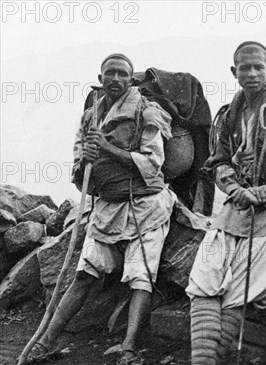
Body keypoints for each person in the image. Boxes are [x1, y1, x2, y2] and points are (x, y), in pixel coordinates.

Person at [26, 53, 176, 365]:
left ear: (131, 78)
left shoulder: (146, 112)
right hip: (107, 208)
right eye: (110, 73)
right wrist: (84, 162)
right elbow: (80, 177)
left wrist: (107, 148)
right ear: (101, 77)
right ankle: (46, 342)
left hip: (145, 207)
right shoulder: (91, 116)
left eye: (123, 74)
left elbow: (153, 164)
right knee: (84, 275)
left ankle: (129, 349)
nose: (116, 79)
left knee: (140, 278)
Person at [185, 41, 266, 364]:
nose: (253, 73)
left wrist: (262, 194)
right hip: (237, 204)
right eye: (245, 67)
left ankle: (218, 356)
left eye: (259, 67)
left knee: (242, 288)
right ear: (235, 72)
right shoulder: (231, 113)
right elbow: (219, 161)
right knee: (204, 277)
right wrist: (233, 187)